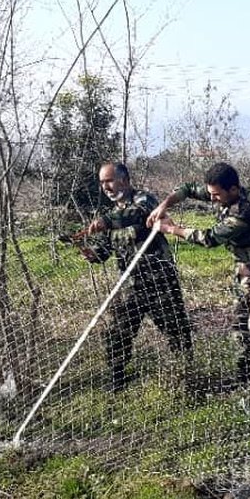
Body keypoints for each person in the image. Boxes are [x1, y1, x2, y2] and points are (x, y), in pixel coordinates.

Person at [148, 162, 250, 395]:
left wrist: (171, 229)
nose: (212, 199)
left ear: (233, 189)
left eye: (216, 195)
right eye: (210, 194)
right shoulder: (222, 193)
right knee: (239, 328)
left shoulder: (245, 209)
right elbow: (189, 189)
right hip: (244, 271)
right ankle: (242, 379)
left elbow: (209, 238)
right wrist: (164, 204)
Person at [79, 162, 195, 393]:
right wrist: (89, 253)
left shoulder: (145, 200)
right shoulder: (109, 216)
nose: (106, 187)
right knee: (117, 333)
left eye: (109, 180)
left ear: (124, 180)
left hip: (159, 281)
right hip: (129, 285)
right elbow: (102, 251)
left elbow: (138, 215)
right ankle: (117, 380)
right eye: (102, 183)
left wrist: (106, 223)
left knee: (177, 331)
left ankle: (188, 377)